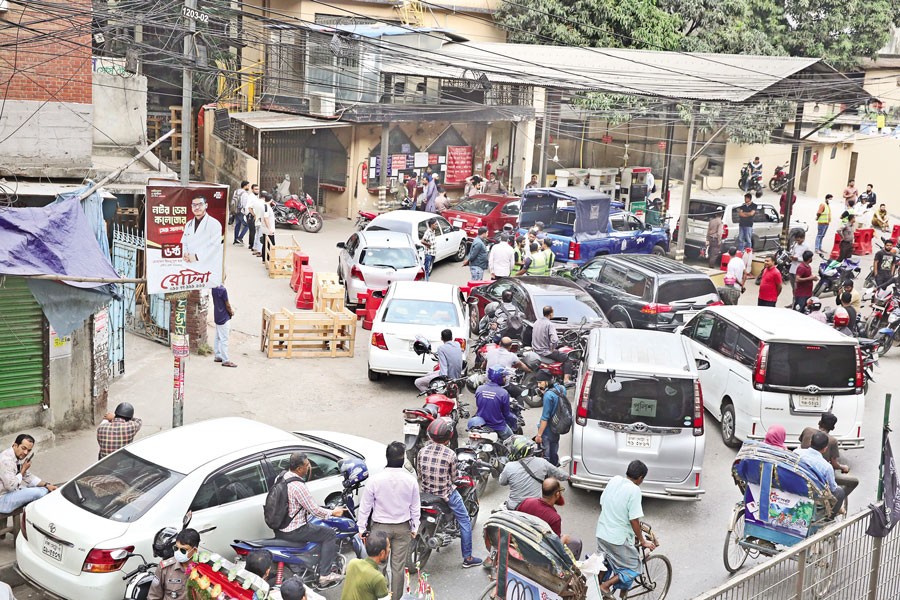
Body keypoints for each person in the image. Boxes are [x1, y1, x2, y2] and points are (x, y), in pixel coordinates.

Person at [356, 442, 419, 600]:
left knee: (379, 566)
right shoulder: (410, 480)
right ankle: (395, 598)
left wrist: (361, 528)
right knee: (398, 567)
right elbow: (415, 507)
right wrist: (415, 527)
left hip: (380, 529)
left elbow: (365, 506)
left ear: (387, 457)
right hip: (402, 528)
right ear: (402, 459)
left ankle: (380, 596)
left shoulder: (375, 480)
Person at [417, 418, 483, 568]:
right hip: (446, 495)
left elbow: (420, 474)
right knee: (465, 521)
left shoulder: (422, 451)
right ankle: (468, 558)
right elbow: (454, 478)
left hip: (426, 493)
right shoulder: (450, 454)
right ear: (448, 437)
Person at [275, 452, 345, 587]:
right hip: (295, 529)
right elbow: (315, 510)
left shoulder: (281, 476)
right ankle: (325, 574)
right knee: (329, 534)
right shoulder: (298, 486)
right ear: (299, 468)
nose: (309, 467)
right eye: (307, 465)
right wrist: (333, 512)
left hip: (280, 526)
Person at [595, 461, 656, 597]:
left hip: (601, 532)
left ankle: (596, 587)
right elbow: (634, 519)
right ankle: (605, 586)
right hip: (617, 539)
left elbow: (603, 502)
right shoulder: (635, 490)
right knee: (634, 566)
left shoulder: (615, 480)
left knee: (604, 562)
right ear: (640, 478)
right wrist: (642, 540)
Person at [517, 478, 582, 559]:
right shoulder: (554, 518)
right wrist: (564, 539)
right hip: (538, 551)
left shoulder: (527, 502)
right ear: (557, 494)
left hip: (521, 540)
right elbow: (554, 547)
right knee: (576, 542)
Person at [799, 412, 859, 499]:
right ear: (825, 449)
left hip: (802, 472)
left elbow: (801, 444)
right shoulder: (826, 465)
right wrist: (843, 467)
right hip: (819, 479)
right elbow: (834, 464)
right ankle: (836, 505)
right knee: (853, 482)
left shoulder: (807, 431)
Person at [500, 436, 567, 510]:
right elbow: (561, 475)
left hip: (514, 507)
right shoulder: (542, 462)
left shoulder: (509, 466)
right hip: (535, 507)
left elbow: (502, 482)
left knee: (500, 509)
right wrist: (568, 477)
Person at [0, 434, 57, 514]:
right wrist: (23, 469)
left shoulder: (16, 456)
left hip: (10, 493)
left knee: (38, 488)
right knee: (38, 493)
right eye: (23, 448)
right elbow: (11, 486)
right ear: (15, 445)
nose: (26, 453)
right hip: (2, 500)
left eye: (29, 450)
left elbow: (28, 476)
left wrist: (46, 485)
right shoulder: (6, 461)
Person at [795, 432, 846, 517]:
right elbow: (833, 488)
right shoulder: (826, 467)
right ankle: (829, 518)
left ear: (810, 442)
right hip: (813, 495)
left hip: (795, 485)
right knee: (839, 492)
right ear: (825, 449)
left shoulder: (797, 453)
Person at [148, 528, 200, 600]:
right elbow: (153, 596)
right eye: (176, 548)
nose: (178, 552)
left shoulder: (205, 569)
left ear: (194, 550)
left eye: (183, 550)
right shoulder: (164, 568)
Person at [180, 196, 224, 280]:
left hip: (207, 266)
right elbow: (184, 242)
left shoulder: (214, 224)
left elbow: (215, 246)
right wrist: (185, 254)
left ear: (206, 205)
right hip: (189, 265)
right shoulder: (188, 224)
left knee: (205, 291)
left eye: (200, 204)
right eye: (194, 205)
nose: (197, 207)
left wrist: (196, 257)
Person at [340, 531, 391, 600]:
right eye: (388, 547)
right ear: (382, 553)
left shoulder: (353, 563)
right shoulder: (378, 578)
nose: (389, 550)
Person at [531, 306, 574, 386]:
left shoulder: (536, 322)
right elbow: (555, 340)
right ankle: (566, 380)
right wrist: (552, 348)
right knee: (567, 358)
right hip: (545, 352)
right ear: (551, 314)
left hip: (536, 350)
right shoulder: (549, 324)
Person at [534, 370, 567, 466]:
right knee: (554, 450)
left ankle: (546, 474)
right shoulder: (561, 388)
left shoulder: (548, 396)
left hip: (547, 430)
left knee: (545, 455)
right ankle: (555, 467)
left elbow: (545, 418)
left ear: (547, 381)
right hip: (557, 426)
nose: (539, 385)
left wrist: (539, 435)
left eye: (540, 382)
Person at [474, 366, 516, 440]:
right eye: (504, 377)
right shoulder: (503, 393)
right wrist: (514, 419)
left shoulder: (479, 389)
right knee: (513, 442)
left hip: (480, 424)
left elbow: (479, 405)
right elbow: (506, 414)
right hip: (498, 426)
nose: (505, 379)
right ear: (499, 378)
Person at [211, 284, 236, 368]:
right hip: (224, 317)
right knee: (224, 339)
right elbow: (227, 304)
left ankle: (218, 355)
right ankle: (225, 360)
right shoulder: (223, 290)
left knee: (218, 337)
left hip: (217, 315)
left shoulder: (213, 288)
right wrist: (231, 312)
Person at [247, 184, 264, 257]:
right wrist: (254, 215)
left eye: (258, 189)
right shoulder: (251, 197)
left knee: (256, 233)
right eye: (256, 189)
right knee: (255, 233)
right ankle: (254, 247)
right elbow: (249, 207)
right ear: (252, 189)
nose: (257, 190)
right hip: (253, 217)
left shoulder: (256, 198)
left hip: (256, 218)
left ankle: (254, 247)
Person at [260, 193, 277, 264]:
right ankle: (268, 259)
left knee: (265, 243)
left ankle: (264, 259)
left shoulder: (264, 206)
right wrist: (270, 229)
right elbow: (266, 218)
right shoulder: (266, 207)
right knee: (271, 244)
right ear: (271, 200)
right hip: (267, 229)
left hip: (265, 228)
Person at [233, 180, 250, 245]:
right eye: (248, 185)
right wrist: (246, 213)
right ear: (245, 186)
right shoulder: (245, 194)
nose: (248, 187)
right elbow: (244, 204)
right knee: (247, 225)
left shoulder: (236, 191)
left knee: (237, 224)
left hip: (235, 210)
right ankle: (240, 238)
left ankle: (235, 240)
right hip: (241, 211)